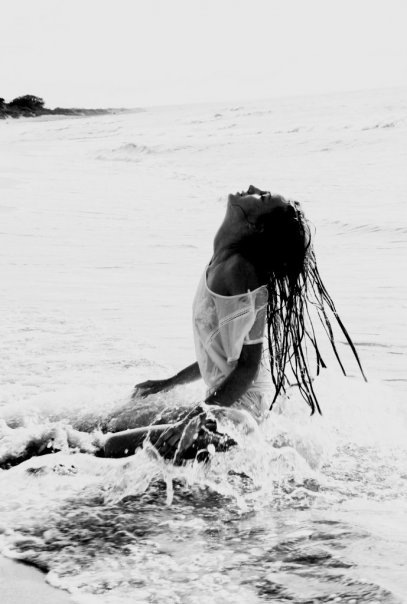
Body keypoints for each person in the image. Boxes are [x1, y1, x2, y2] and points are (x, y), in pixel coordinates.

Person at [104, 185, 366, 462]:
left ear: (256, 226)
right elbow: (221, 353)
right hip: (227, 403)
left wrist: (196, 417)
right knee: (113, 425)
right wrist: (170, 383)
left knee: (112, 446)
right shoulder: (224, 261)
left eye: (263, 197)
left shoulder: (239, 272)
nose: (253, 188)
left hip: (240, 414)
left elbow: (248, 366)